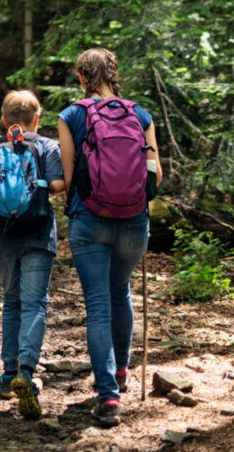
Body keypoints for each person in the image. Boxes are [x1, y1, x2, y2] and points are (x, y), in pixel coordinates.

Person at [57, 48, 162, 428]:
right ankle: (121, 370)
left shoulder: (72, 115)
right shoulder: (140, 114)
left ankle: (108, 396)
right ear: (115, 74)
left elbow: (70, 177)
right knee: (122, 292)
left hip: (89, 220)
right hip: (134, 222)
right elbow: (156, 175)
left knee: (99, 305)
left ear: (82, 77)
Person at [0, 91, 65, 420]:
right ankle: (27, 371)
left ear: (3, 120)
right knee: (35, 303)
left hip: (3, 236)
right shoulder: (47, 145)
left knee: (11, 300)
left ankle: (8, 374)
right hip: (38, 234)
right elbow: (58, 185)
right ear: (37, 118)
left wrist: (0, 193)